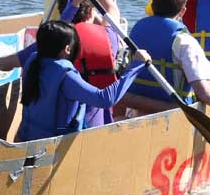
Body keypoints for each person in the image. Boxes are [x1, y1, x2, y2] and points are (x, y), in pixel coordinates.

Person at [0, 0, 126, 129]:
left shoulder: (46, 43)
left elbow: (1, 64)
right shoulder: (109, 38)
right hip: (95, 127)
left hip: (53, 130)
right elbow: (111, 7)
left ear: (60, 10)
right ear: (90, 12)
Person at [14, 21, 150, 142]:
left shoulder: (32, 60)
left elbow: (52, 30)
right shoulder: (65, 76)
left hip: (25, 138)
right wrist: (136, 65)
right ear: (67, 49)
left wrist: (73, 6)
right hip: (50, 148)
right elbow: (105, 99)